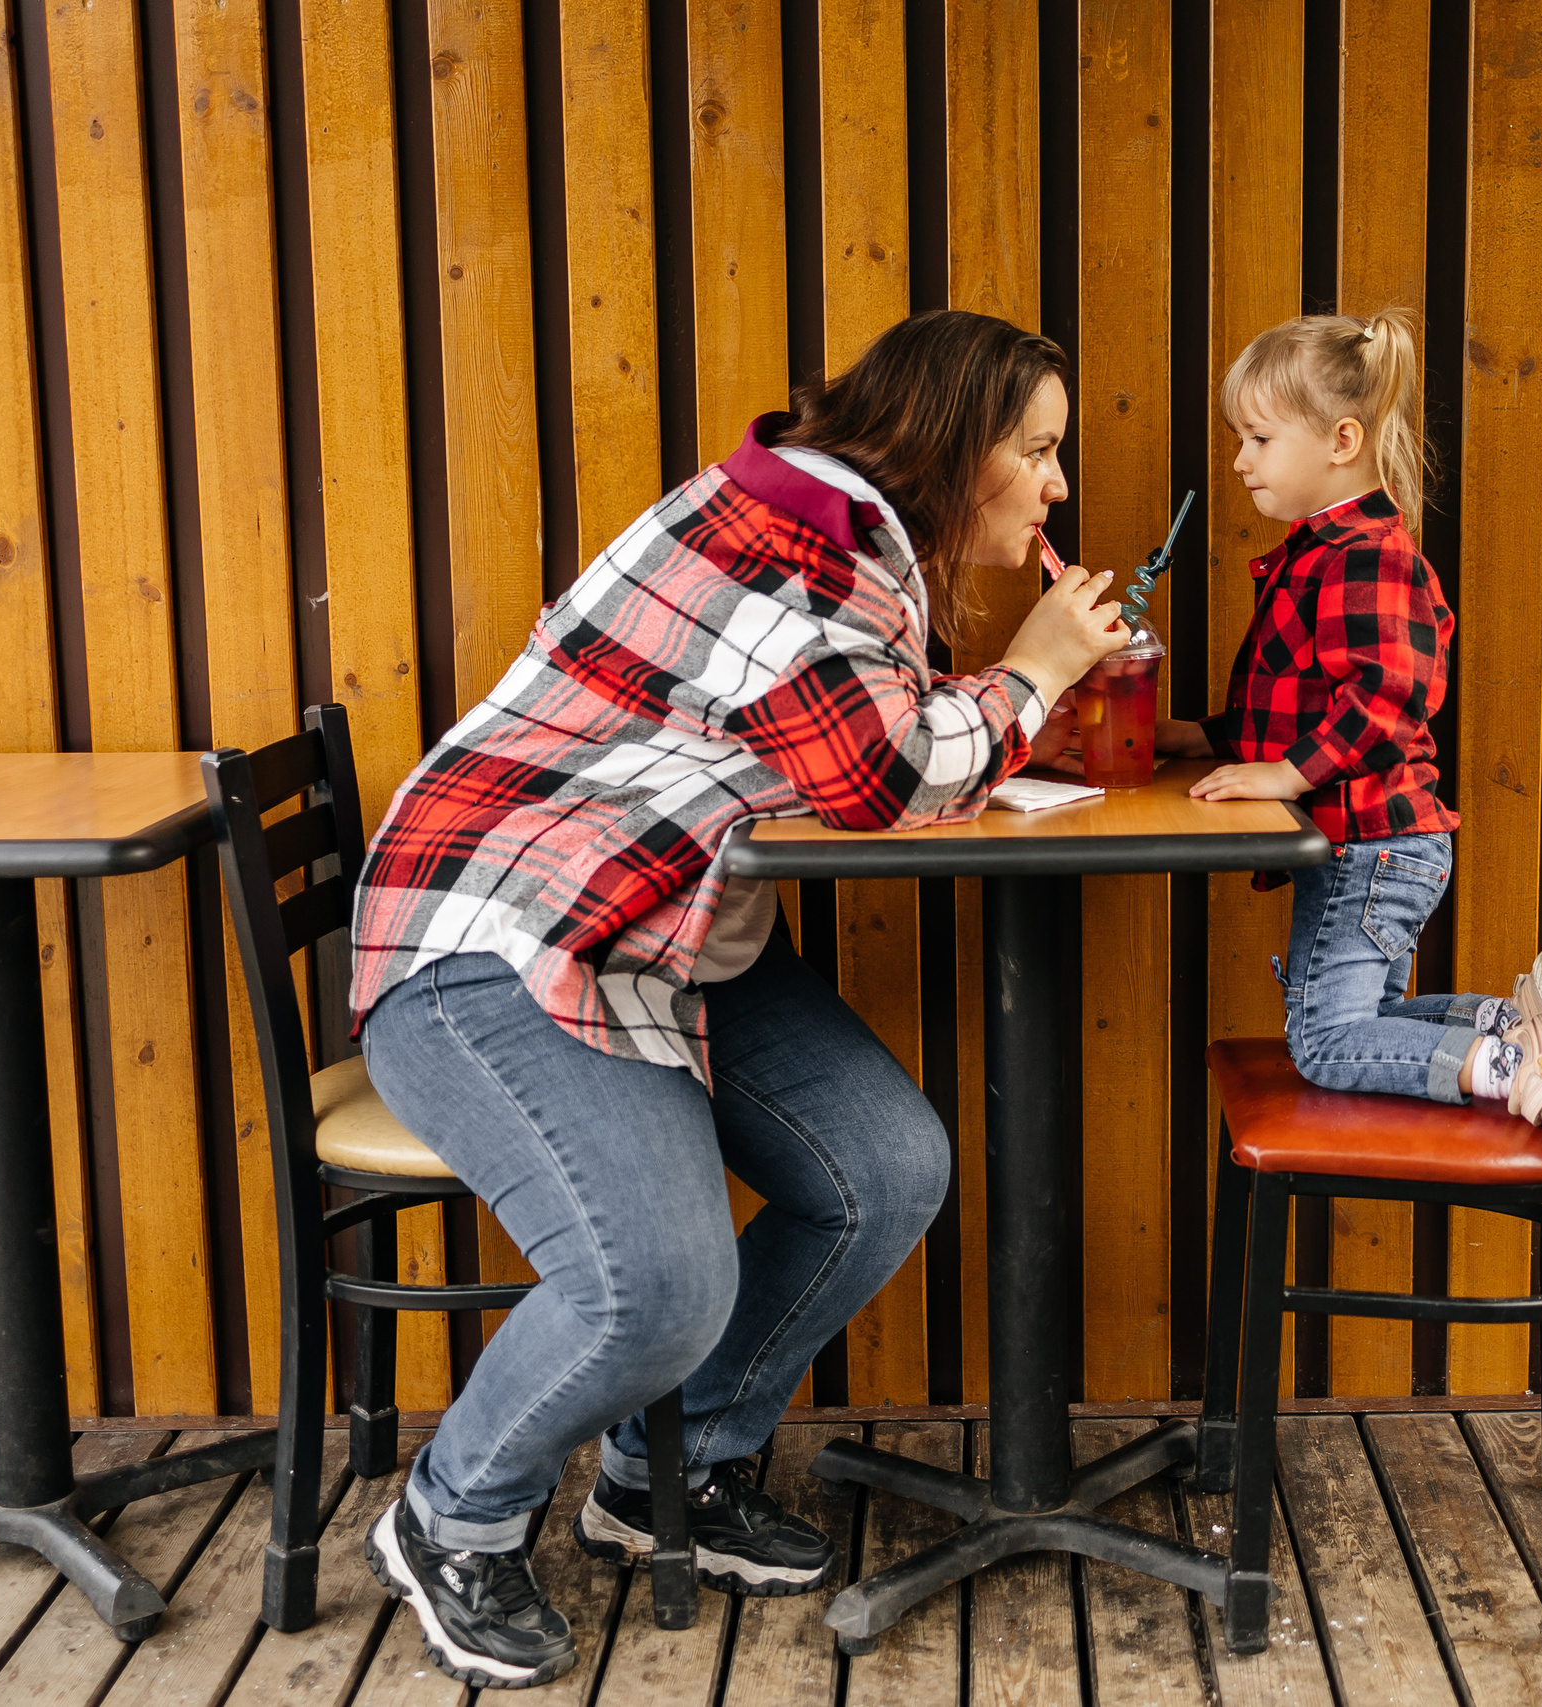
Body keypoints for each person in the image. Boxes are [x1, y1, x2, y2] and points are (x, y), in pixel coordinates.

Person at [346, 311, 1125, 1689]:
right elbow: (876, 776)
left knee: (882, 1166)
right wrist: (1039, 671)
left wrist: (1012, 697)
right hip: (505, 938)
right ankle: (454, 1507)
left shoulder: (829, 534)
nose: (1059, 485)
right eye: (1040, 450)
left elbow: (836, 733)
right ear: (955, 444)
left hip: (664, 932)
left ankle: (673, 1470)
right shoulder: (795, 548)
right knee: (653, 1282)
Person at [1151, 308, 1542, 1174]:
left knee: (1327, 1045)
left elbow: (1391, 696)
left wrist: (1291, 776)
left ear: (1341, 439)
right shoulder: (1322, 552)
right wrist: (1201, 736)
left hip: (1372, 849)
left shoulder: (1368, 556)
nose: (1239, 460)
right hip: (1372, 845)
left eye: (1258, 438)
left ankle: (1521, 1069)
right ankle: (1511, 1023)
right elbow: (1301, 698)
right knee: (1354, 1023)